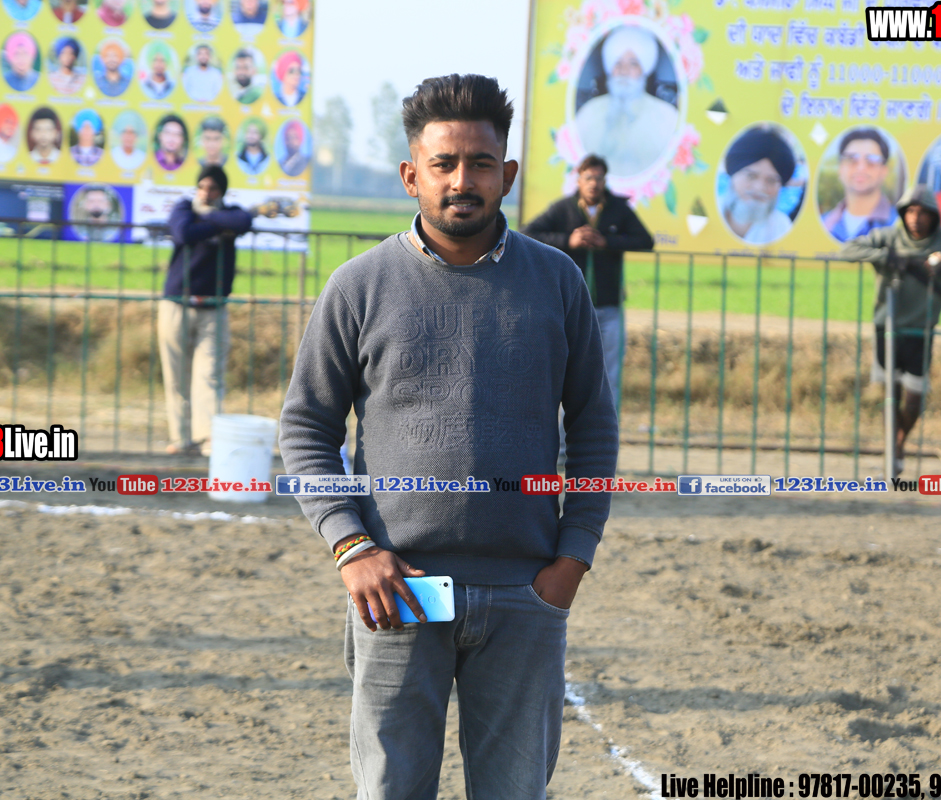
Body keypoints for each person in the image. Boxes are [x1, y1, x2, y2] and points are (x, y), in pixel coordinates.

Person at [278, 73, 617, 800]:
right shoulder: (359, 285)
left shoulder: (557, 282)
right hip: (396, 591)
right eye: (444, 164)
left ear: (508, 175)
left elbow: (593, 424)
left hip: (526, 591)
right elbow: (306, 426)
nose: (463, 181)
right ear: (412, 176)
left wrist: (573, 559)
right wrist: (351, 546)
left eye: (481, 164)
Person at [840, 185, 941, 476]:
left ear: (933, 216)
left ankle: (899, 442)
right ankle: (893, 452)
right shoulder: (889, 237)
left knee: (913, 398)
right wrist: (886, 257)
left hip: (921, 330)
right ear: (902, 214)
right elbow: (847, 250)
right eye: (910, 211)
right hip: (887, 327)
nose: (916, 218)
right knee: (890, 395)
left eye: (923, 212)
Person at [523, 154, 653, 407]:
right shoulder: (563, 208)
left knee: (609, 375)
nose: (594, 183)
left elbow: (645, 240)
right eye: (589, 177)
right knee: (568, 374)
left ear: (605, 181)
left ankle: (605, 430)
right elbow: (528, 232)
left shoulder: (618, 209)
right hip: (571, 306)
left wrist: (607, 242)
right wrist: (567, 240)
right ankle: (564, 433)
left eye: (599, 178)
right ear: (578, 180)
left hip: (609, 305)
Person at [158, 165, 254, 456]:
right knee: (176, 376)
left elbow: (243, 220)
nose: (205, 193)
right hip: (176, 303)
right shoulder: (184, 208)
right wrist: (217, 224)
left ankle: (208, 438)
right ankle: (182, 438)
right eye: (201, 187)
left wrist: (208, 217)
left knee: (210, 375)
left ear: (222, 192)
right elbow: (182, 232)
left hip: (213, 307)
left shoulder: (230, 213)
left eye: (212, 189)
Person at [574, 26, 678, 178]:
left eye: (633, 64)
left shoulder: (667, 116)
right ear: (610, 69)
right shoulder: (588, 112)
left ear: (644, 70)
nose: (624, 71)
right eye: (617, 63)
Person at [721, 126, 797, 245]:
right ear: (733, 174)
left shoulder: (781, 227)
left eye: (771, 180)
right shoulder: (708, 212)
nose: (759, 188)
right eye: (751, 176)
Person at [823, 128, 897, 243]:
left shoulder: (898, 224)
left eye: (871, 160)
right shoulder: (824, 223)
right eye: (851, 159)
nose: (861, 168)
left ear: (884, 171)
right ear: (840, 168)